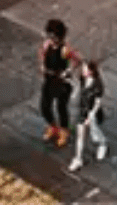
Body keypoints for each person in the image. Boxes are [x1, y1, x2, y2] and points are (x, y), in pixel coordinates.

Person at [67, 53, 108, 173]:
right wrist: (69, 80)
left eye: (86, 69)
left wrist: (91, 115)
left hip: (92, 112)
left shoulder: (98, 84)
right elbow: (78, 86)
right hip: (83, 109)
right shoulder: (82, 78)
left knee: (95, 133)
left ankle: (103, 144)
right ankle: (78, 158)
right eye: (83, 68)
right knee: (80, 134)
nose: (83, 71)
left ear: (91, 71)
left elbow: (97, 102)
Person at [37, 19, 73, 148]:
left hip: (61, 82)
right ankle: (53, 126)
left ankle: (64, 130)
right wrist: (42, 65)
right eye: (49, 35)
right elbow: (41, 54)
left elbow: (76, 61)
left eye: (53, 36)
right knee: (44, 106)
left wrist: (67, 71)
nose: (51, 39)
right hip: (49, 79)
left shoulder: (65, 49)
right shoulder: (47, 45)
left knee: (61, 108)